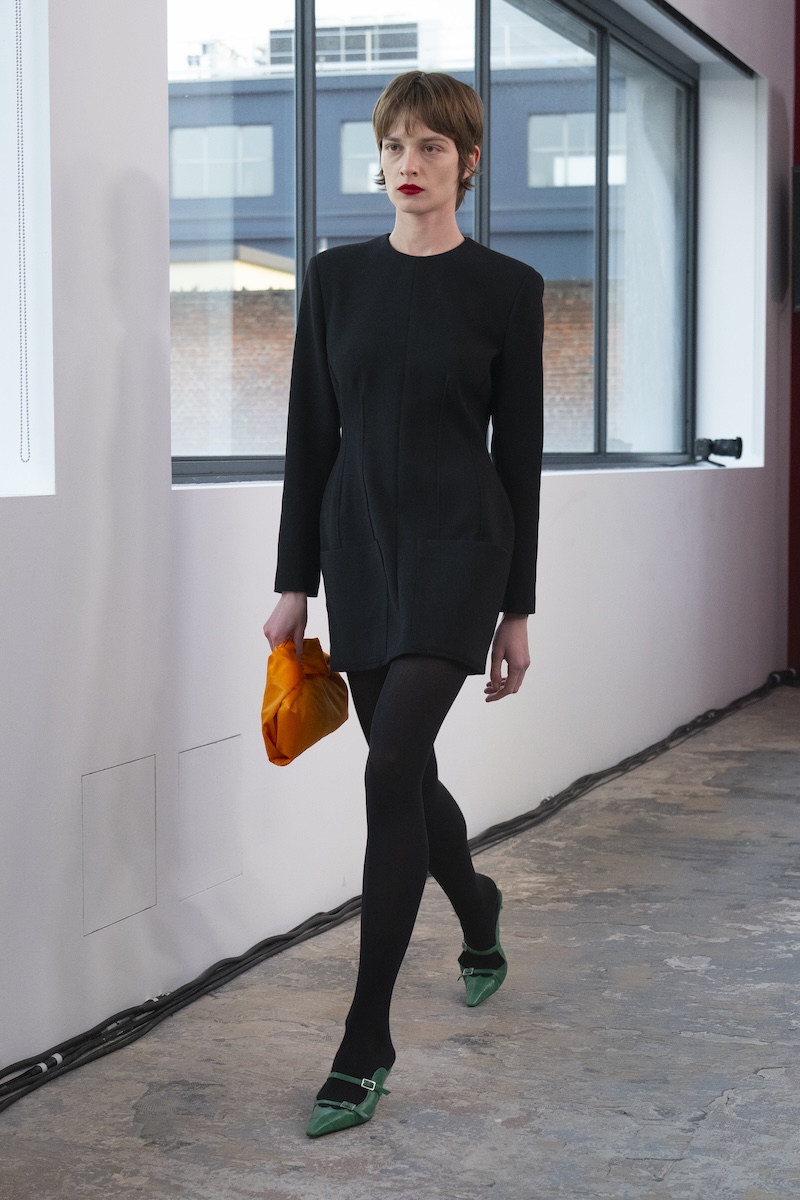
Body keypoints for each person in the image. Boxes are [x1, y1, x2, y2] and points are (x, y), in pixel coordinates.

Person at [263, 70, 544, 1138]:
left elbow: (518, 457)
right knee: (407, 769)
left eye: (431, 146)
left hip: (463, 547)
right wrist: (294, 582)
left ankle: (364, 1040)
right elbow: (309, 437)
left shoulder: (507, 287)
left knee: (388, 767)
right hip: (360, 551)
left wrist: (516, 608)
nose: (408, 164)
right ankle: (476, 904)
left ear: (468, 162)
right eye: (393, 146)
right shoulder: (334, 279)